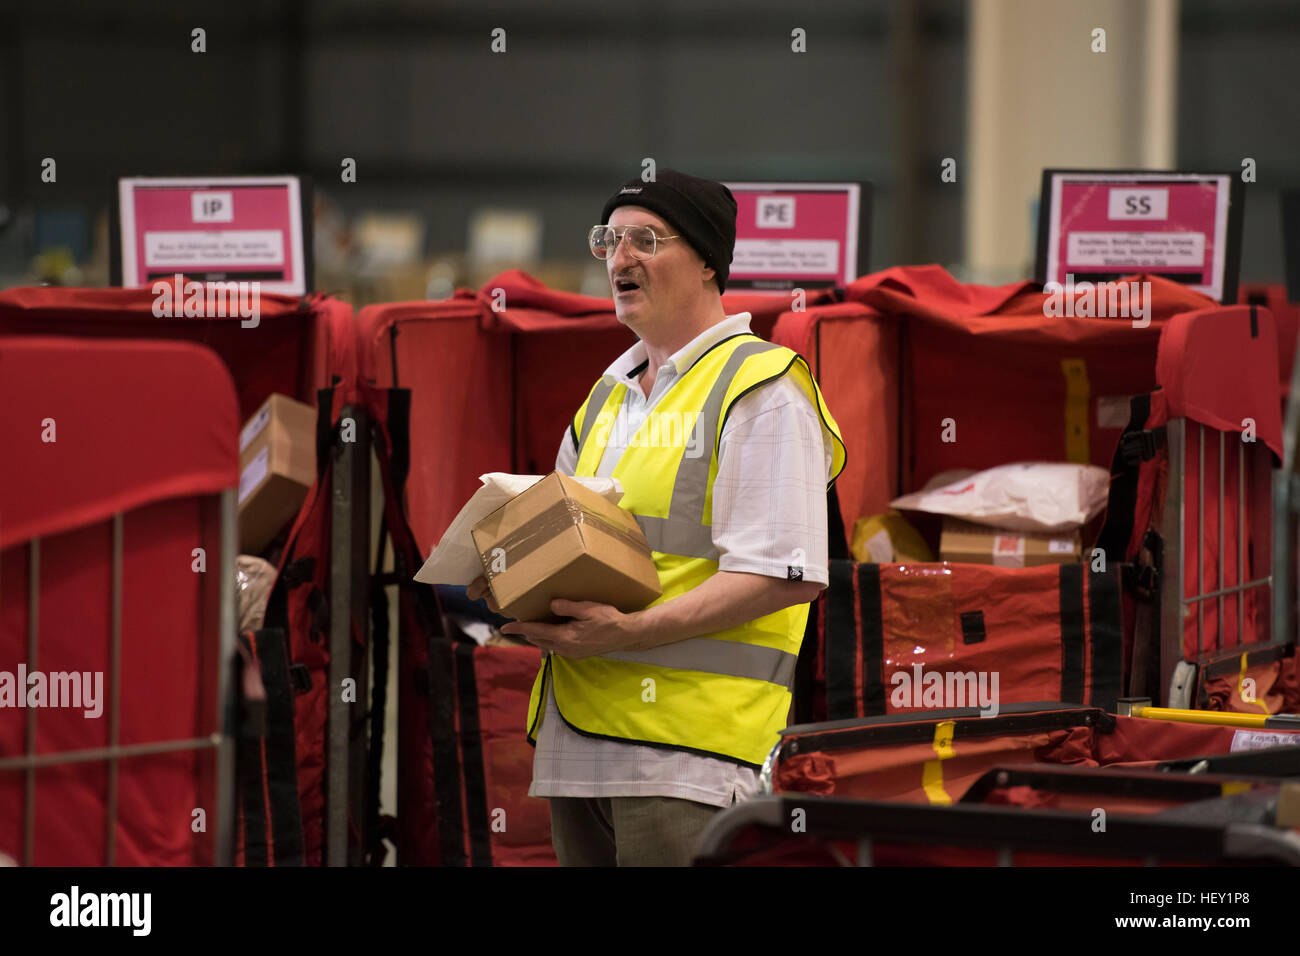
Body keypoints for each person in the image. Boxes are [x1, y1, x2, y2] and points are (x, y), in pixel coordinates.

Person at [468, 169, 846, 866]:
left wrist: (629, 632)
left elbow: (785, 574)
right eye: (610, 241)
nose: (620, 258)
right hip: (578, 745)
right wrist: (502, 573)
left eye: (646, 239)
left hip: (685, 759)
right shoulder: (607, 398)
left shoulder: (761, 387)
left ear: (708, 260)